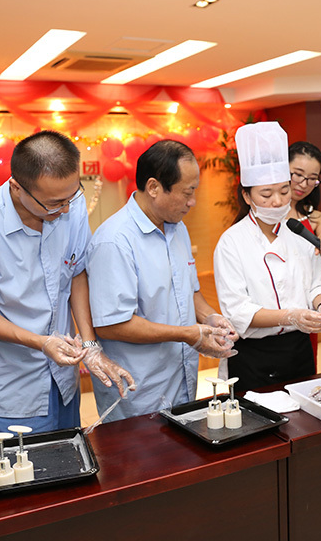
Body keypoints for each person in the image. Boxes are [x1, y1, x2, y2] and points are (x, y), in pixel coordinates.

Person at [0, 131, 133, 444]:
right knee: (21, 468)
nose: (66, 209)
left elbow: (76, 273)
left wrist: (90, 344)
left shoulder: (69, 205)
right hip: (14, 382)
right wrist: (41, 342)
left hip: (64, 377)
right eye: (53, 203)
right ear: (16, 187)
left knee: (69, 457)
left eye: (72, 196)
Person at [86, 139, 238, 421]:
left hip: (181, 375)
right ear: (154, 187)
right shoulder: (115, 241)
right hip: (139, 387)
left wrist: (210, 317)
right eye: (187, 192)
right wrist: (188, 334)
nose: (192, 202)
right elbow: (112, 324)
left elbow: (189, 290)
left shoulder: (177, 228)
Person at [214, 122, 321, 392]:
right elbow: (238, 311)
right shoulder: (231, 242)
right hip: (253, 354)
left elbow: (318, 283)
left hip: (298, 349)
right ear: (247, 196)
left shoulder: (298, 231)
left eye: (284, 192)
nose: (277, 201)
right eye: (266, 194)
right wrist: (290, 316)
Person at [287, 141, 321, 256]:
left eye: (312, 178)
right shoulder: (264, 214)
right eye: (298, 175)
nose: (304, 185)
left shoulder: (317, 219)